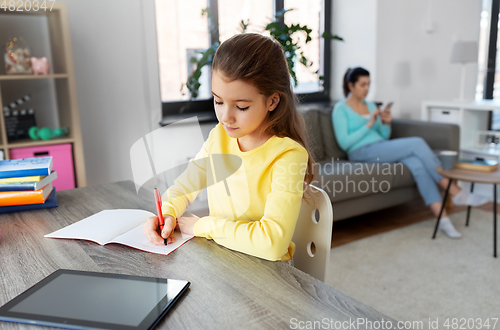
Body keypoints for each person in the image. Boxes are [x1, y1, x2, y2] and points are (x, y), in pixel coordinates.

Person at [143, 33, 317, 263]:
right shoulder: (219, 138)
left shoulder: (288, 156)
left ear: (272, 101)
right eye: (218, 101)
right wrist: (168, 212)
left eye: (241, 106)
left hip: (269, 276)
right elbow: (184, 186)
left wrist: (203, 225)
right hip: (223, 261)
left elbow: (272, 244)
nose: (226, 117)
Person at [332, 67, 490, 239]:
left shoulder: (370, 106)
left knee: (416, 163)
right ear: (351, 85)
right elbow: (345, 143)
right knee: (417, 143)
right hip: (360, 152)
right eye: (362, 84)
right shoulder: (340, 109)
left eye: (368, 84)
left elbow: (384, 136)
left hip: (380, 147)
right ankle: (455, 190)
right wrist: (369, 124)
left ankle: (443, 220)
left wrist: (386, 123)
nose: (366, 89)